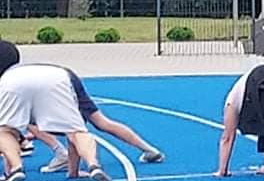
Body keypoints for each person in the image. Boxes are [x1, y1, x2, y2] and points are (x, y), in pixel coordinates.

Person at [0, 42, 111, 181]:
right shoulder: (21, 65)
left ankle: (16, 168)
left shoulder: (5, 77)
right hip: (57, 76)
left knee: (5, 131)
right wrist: (73, 172)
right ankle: (94, 165)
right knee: (77, 131)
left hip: (12, 83)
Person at [33, 71, 165, 172]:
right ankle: (149, 150)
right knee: (101, 122)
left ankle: (62, 154)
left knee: (71, 126)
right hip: (64, 76)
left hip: (56, 83)